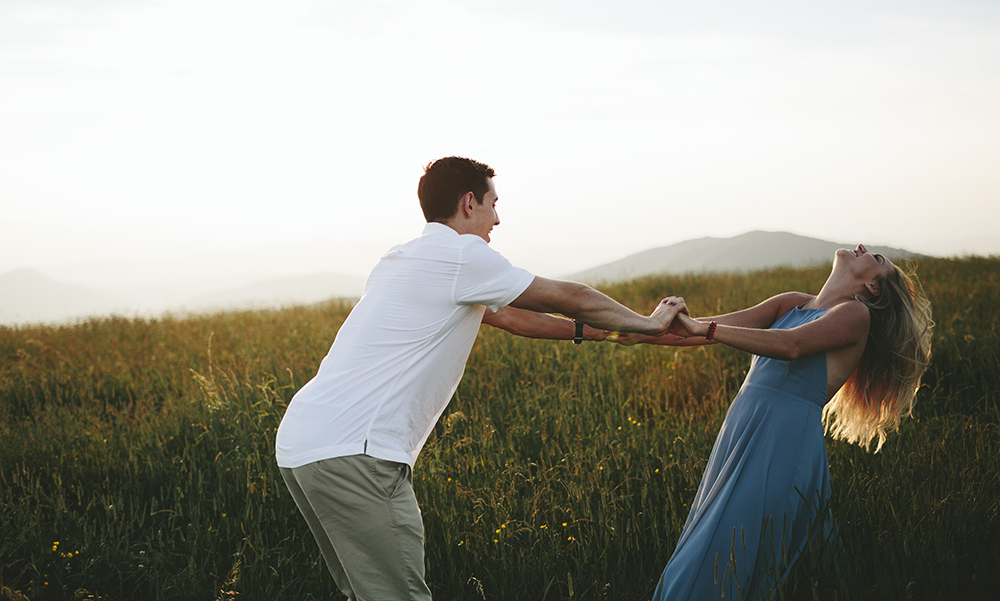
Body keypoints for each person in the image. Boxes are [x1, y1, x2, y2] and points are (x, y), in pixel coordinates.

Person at [274, 156, 685, 601]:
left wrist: (600, 332)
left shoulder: (402, 257)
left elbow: (508, 316)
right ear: (469, 203)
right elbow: (573, 296)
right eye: (493, 204)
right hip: (357, 452)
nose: (497, 218)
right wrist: (649, 323)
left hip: (304, 445)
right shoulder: (462, 255)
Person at [622, 244, 933, 600]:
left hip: (783, 442)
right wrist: (630, 331)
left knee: (730, 547)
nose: (863, 247)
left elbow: (792, 345)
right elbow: (692, 333)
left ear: (873, 288)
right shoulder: (791, 303)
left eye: (876, 259)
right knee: (719, 538)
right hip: (742, 431)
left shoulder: (854, 314)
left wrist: (704, 328)